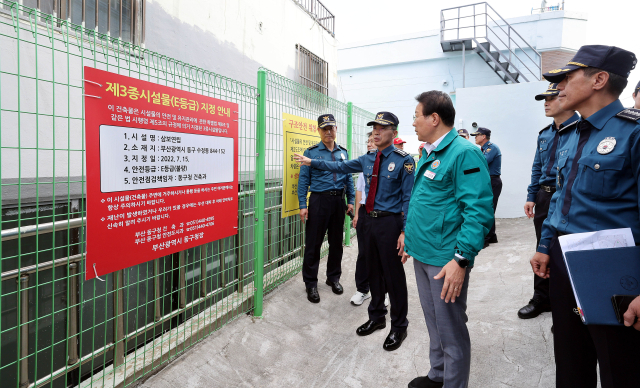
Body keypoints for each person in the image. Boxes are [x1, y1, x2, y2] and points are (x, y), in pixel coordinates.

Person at [529, 44, 640, 388]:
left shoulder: (633, 132)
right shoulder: (571, 135)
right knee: (571, 355)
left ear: (599, 80)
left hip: (612, 273)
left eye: (567, 77)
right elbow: (562, 197)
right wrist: (546, 245)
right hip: (566, 266)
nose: (558, 86)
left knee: (618, 364)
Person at [294, 111, 415, 351]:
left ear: (394, 133)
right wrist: (311, 162)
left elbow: (408, 199)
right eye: (374, 129)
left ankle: (399, 326)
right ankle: (377, 316)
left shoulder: (405, 161)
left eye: (382, 128)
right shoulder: (367, 158)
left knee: (392, 275)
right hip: (368, 221)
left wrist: (405, 231)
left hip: (390, 223)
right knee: (372, 271)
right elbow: (339, 165)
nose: (376, 132)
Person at [403, 91, 494, 388]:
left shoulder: (464, 152)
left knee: (451, 329)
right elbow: (424, 201)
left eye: (417, 115)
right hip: (423, 253)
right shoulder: (430, 151)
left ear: (434, 118)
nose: (414, 122)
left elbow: (478, 211)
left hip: (446, 259)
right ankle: (438, 375)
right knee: (434, 323)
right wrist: (409, 236)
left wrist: (461, 259)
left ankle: (454, 384)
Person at [518, 83, 580, 320]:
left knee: (567, 250)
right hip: (545, 197)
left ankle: (568, 308)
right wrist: (531, 196)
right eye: (544, 98)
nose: (546, 102)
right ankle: (542, 298)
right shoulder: (545, 134)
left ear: (565, 97)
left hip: (569, 196)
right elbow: (537, 167)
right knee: (542, 249)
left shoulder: (581, 130)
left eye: (550, 98)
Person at [298, 114, 355, 303]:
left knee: (336, 243)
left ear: (336, 129)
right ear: (319, 130)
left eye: (331, 128)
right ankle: (311, 283)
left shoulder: (343, 152)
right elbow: (303, 180)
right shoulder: (311, 152)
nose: (328, 132)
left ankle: (333, 278)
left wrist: (351, 200)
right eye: (324, 129)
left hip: (338, 202)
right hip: (318, 202)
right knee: (313, 243)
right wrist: (302, 205)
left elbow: (348, 178)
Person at [470, 127, 501, 248]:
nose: (475, 138)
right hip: (488, 181)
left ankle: (486, 239)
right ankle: (492, 236)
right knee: (488, 208)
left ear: (483, 136)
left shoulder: (491, 148)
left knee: (487, 209)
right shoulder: (483, 149)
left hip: (492, 181)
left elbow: (481, 163)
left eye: (477, 135)